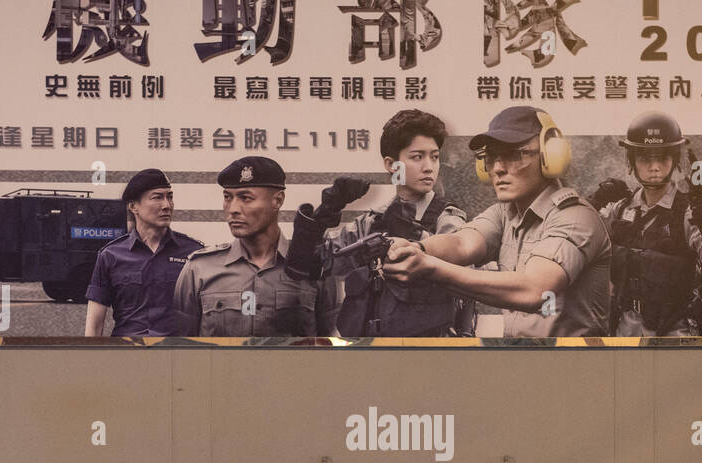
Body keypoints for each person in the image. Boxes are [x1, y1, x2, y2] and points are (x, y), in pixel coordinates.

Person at [383, 105, 611, 337]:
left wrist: (429, 267)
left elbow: (534, 291)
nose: (499, 169)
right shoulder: (505, 213)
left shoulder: (576, 217)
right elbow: (461, 244)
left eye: (515, 155)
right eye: (491, 158)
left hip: (574, 367)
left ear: (550, 155)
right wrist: (416, 248)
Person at [317, 109, 476, 337]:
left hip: (431, 354)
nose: (429, 167)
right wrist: (325, 213)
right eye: (417, 157)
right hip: (373, 354)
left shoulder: (447, 219)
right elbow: (319, 263)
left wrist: (419, 241)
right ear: (392, 165)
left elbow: (467, 272)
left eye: (434, 156)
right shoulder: (372, 223)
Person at [601, 111, 702, 337]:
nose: (654, 167)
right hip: (624, 331)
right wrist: (590, 203)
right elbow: (583, 246)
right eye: (645, 158)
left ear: (674, 160)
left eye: (662, 158)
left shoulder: (687, 213)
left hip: (675, 333)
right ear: (632, 161)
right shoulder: (621, 210)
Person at [173, 155, 317, 337]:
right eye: (227, 197)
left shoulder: (312, 268)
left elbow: (335, 347)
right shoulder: (199, 269)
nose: (233, 208)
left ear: (278, 201)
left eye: (246, 198)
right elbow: (181, 349)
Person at [84, 168, 202, 337]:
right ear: (133, 206)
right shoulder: (110, 255)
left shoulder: (193, 253)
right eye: (157, 197)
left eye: (169, 197)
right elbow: (94, 326)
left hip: (176, 355)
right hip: (128, 355)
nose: (166, 205)